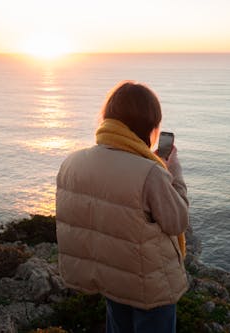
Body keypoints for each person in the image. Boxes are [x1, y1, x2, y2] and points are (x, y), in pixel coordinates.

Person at [55, 81, 189, 333]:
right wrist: (173, 172)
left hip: (113, 280)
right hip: (150, 288)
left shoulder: (72, 163)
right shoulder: (151, 173)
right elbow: (177, 221)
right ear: (148, 124)